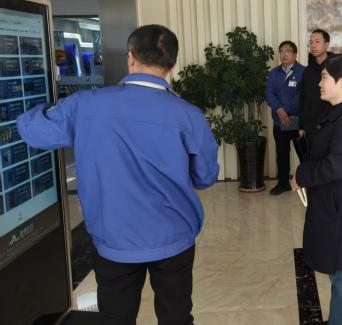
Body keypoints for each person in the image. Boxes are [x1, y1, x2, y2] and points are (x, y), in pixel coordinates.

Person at [17, 24, 220, 324]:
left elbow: (32, 131)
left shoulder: (85, 105)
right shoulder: (188, 115)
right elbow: (205, 176)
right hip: (174, 235)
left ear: (131, 57)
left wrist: (44, 107)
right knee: (176, 316)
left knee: (116, 317)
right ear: (173, 64)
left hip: (114, 238)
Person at [290, 55, 342, 325]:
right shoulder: (337, 111)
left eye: (325, 77)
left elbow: (336, 166)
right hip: (333, 204)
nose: (319, 83)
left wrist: (301, 175)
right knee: (339, 273)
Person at [265, 40, 305, 195]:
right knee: (281, 154)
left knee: (303, 153)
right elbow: (269, 94)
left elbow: (301, 96)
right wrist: (279, 110)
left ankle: (306, 182)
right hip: (279, 121)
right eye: (281, 51)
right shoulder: (274, 73)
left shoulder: (303, 72)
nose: (284, 54)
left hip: (298, 121)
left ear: (295, 55)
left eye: (288, 51)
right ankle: (283, 183)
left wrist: (285, 110)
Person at [298, 29, 335, 140]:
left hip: (330, 124)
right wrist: (302, 125)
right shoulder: (307, 70)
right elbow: (303, 98)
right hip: (311, 126)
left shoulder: (335, 67)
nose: (313, 45)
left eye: (317, 42)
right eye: (311, 42)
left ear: (326, 44)